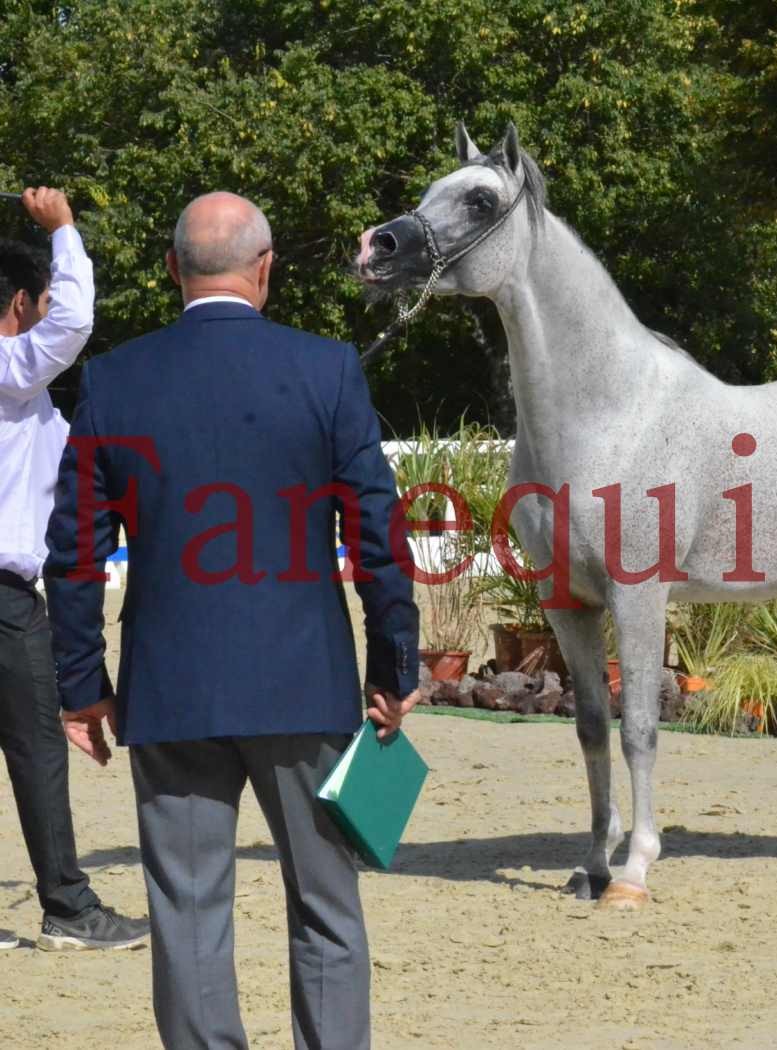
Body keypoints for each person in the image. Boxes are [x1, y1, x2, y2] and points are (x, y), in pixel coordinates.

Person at [43, 191, 422, 1049]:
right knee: (327, 909)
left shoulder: (114, 378)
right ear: (266, 269)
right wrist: (394, 665)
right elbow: (378, 534)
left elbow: (74, 550)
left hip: (171, 691)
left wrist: (81, 685)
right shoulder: (327, 369)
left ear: (173, 269)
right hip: (305, 683)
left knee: (188, 913)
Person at [0, 186, 150, 952]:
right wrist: (63, 229)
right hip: (5, 602)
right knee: (35, 746)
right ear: (19, 304)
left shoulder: (27, 405)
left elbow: (84, 459)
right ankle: (67, 908)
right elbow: (76, 321)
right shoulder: (7, 368)